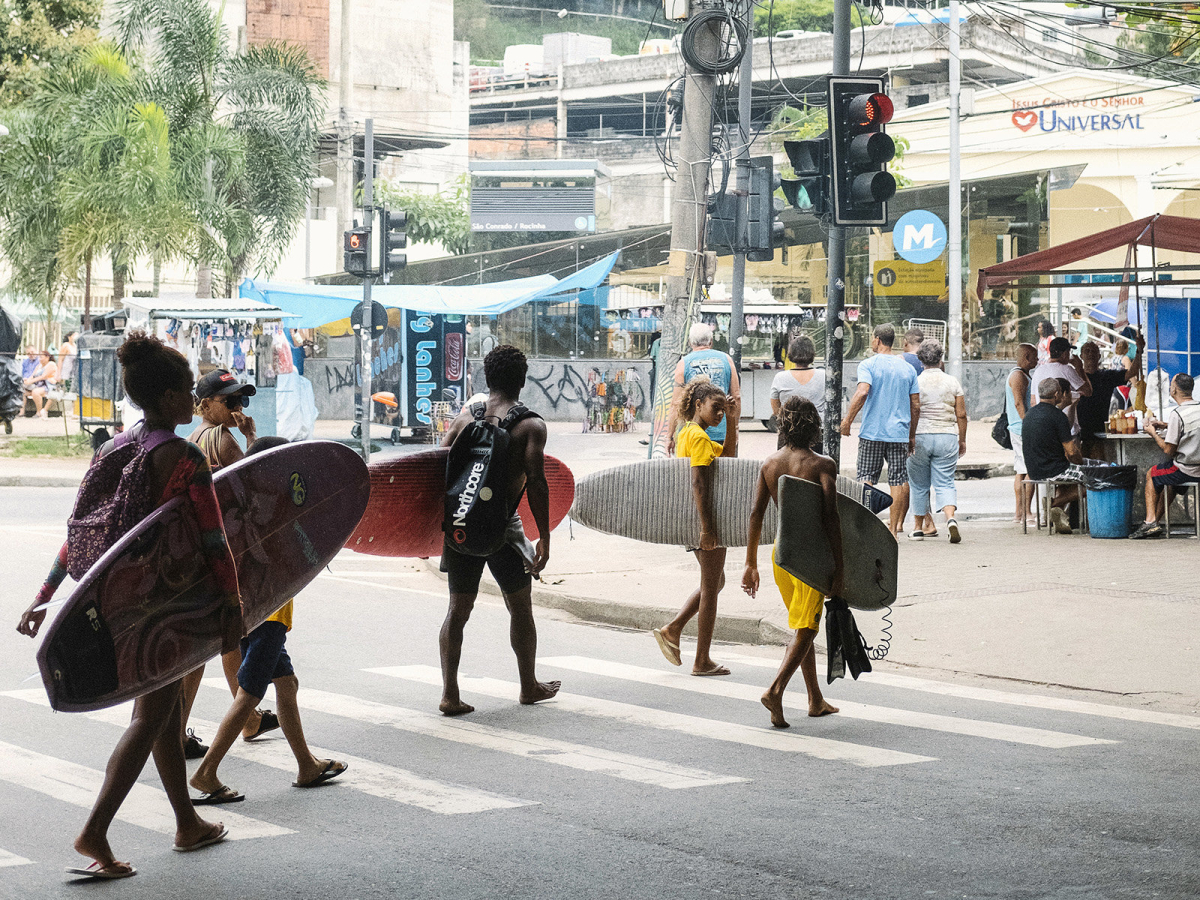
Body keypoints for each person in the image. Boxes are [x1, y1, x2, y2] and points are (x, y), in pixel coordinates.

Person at [16, 331, 239, 877]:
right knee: (151, 717)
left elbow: (84, 532)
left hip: (116, 604)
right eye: (187, 390)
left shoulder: (115, 447)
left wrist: (45, 596)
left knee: (161, 715)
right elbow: (215, 539)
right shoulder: (184, 457)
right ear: (165, 397)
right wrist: (233, 604)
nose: (192, 400)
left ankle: (187, 824)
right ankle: (95, 831)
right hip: (164, 605)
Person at [189, 435, 348, 802]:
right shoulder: (268, 509)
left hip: (255, 608)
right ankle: (205, 773)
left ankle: (307, 765)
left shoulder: (248, 504)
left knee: (286, 683)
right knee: (250, 693)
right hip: (269, 612)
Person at [438, 344, 559, 715]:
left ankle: (450, 695)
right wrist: (545, 539)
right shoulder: (530, 426)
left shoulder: (464, 418)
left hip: (461, 527)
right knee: (519, 608)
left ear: (485, 379)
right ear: (523, 381)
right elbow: (537, 483)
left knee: (457, 611)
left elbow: (437, 466)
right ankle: (528, 686)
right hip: (503, 529)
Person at [181, 370, 275, 758]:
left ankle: (247, 719)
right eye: (229, 402)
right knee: (218, 639)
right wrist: (252, 438)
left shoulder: (195, 439)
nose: (238, 408)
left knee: (223, 638)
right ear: (204, 405)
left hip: (208, 549)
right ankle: (181, 728)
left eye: (241, 401)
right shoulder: (221, 438)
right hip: (230, 551)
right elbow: (255, 480)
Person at [742, 397, 843, 727]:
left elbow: (756, 514)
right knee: (806, 628)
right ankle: (775, 690)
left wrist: (750, 563)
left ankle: (814, 699)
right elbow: (831, 519)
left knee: (803, 626)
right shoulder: (822, 465)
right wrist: (839, 568)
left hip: (780, 554)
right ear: (814, 426)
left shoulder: (770, 463)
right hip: (810, 555)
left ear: (782, 425)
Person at [653, 377, 736, 677]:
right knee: (712, 589)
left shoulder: (687, 431)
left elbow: (727, 456)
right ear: (698, 404)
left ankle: (673, 629)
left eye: (724, 410)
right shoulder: (698, 438)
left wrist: (733, 422)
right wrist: (707, 529)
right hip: (706, 520)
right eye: (716, 408)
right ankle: (702, 660)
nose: (720, 414)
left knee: (716, 582)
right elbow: (700, 482)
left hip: (692, 520)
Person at [840, 323, 920, 535]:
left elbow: (862, 392)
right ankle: (893, 530)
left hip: (872, 433)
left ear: (877, 340)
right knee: (898, 479)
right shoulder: (908, 369)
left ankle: (866, 529)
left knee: (866, 478)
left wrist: (847, 420)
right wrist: (911, 435)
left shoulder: (868, 365)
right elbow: (916, 405)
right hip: (899, 433)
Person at [907, 340, 967, 543]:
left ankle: (917, 528)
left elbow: (912, 409)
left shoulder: (915, 382)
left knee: (919, 485)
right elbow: (961, 414)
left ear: (920, 359)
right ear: (941, 358)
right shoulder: (952, 382)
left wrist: (911, 436)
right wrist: (963, 439)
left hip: (920, 436)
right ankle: (950, 519)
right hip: (947, 435)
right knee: (945, 482)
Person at [1129, 373, 1200, 539]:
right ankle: (1156, 522)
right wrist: (1165, 424)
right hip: (1197, 467)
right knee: (1167, 478)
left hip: (1187, 469)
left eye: (1171, 386)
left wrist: (1153, 433)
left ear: (1174, 390)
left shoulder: (1178, 413)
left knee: (1153, 474)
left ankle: (1150, 521)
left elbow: (1168, 450)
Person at [666, 322, 741, 458]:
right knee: (725, 474)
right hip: (722, 431)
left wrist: (669, 436)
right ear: (711, 341)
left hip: (692, 432)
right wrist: (735, 428)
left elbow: (676, 403)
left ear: (690, 342)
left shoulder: (684, 363)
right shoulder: (726, 360)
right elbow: (736, 396)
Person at [1022, 377, 1085, 534]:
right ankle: (1054, 504)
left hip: (1033, 471)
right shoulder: (1057, 416)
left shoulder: (1029, 415)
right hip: (1053, 470)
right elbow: (1071, 451)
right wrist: (1081, 463)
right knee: (1093, 479)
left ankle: (1058, 512)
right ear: (1057, 394)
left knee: (1069, 479)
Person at [1077, 336, 1143, 457]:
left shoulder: (1107, 376)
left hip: (1100, 431)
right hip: (1079, 431)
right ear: (1081, 356)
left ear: (1099, 356)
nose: (1090, 354)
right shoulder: (1075, 377)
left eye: (1094, 351)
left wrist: (1139, 351)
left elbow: (1131, 372)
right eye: (1087, 351)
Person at [769, 335, 825, 449]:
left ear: (791, 354)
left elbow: (776, 411)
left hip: (788, 436)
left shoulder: (780, 378)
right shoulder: (824, 376)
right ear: (812, 354)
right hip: (816, 434)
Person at [1030, 336, 1092, 437]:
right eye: (1068, 352)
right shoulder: (1067, 369)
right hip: (1066, 426)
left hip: (1043, 425)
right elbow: (1088, 391)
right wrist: (1079, 367)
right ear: (1064, 354)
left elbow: (1033, 401)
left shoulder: (1038, 371)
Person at [1006, 343, 1038, 525]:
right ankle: (1026, 512)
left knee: (1021, 469)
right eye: (1034, 357)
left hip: (1018, 427)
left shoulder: (1022, 375)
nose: (1037, 360)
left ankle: (1020, 513)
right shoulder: (1018, 376)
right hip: (1021, 428)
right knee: (1029, 470)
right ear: (1026, 357)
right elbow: (1019, 403)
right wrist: (1029, 424)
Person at [24, 348, 58, 418]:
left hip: (49, 385)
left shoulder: (51, 364)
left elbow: (43, 376)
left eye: (41, 357)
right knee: (22, 392)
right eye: (39, 357)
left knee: (35, 392)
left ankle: (39, 412)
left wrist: (30, 381)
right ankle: (21, 412)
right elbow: (33, 375)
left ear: (47, 357)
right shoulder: (39, 365)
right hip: (38, 385)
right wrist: (27, 380)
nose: (40, 359)